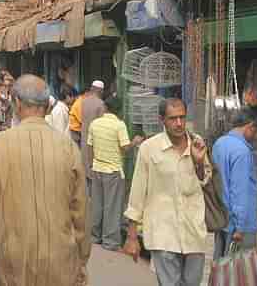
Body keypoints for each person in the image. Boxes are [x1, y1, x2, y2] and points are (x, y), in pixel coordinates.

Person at [0, 75, 90, 286]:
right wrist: (81, 258)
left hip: (12, 265)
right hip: (60, 263)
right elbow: (81, 209)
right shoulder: (67, 147)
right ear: (46, 106)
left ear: (17, 103)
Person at [123, 98, 211, 286]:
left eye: (182, 117)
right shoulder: (149, 148)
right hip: (163, 233)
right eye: (173, 118)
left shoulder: (197, 144)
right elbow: (138, 192)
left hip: (193, 231)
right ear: (161, 119)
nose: (179, 123)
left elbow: (205, 180)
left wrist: (199, 162)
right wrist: (132, 237)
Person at [87, 96, 143, 251]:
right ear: (119, 111)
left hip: (97, 168)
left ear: (105, 108)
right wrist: (136, 142)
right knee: (112, 206)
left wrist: (92, 165)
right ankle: (110, 241)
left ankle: (94, 236)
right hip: (113, 171)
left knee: (97, 205)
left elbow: (90, 146)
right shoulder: (119, 126)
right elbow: (125, 147)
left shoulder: (95, 124)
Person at [212, 108, 257, 258]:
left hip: (221, 219)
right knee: (242, 273)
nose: (256, 136)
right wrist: (240, 227)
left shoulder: (219, 144)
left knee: (222, 269)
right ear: (250, 126)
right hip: (239, 225)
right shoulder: (242, 152)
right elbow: (240, 191)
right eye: (256, 131)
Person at [82, 81, 106, 188]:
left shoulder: (84, 102)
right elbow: (101, 125)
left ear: (92, 88)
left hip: (84, 140)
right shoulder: (101, 104)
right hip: (95, 142)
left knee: (85, 168)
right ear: (101, 91)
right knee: (94, 171)